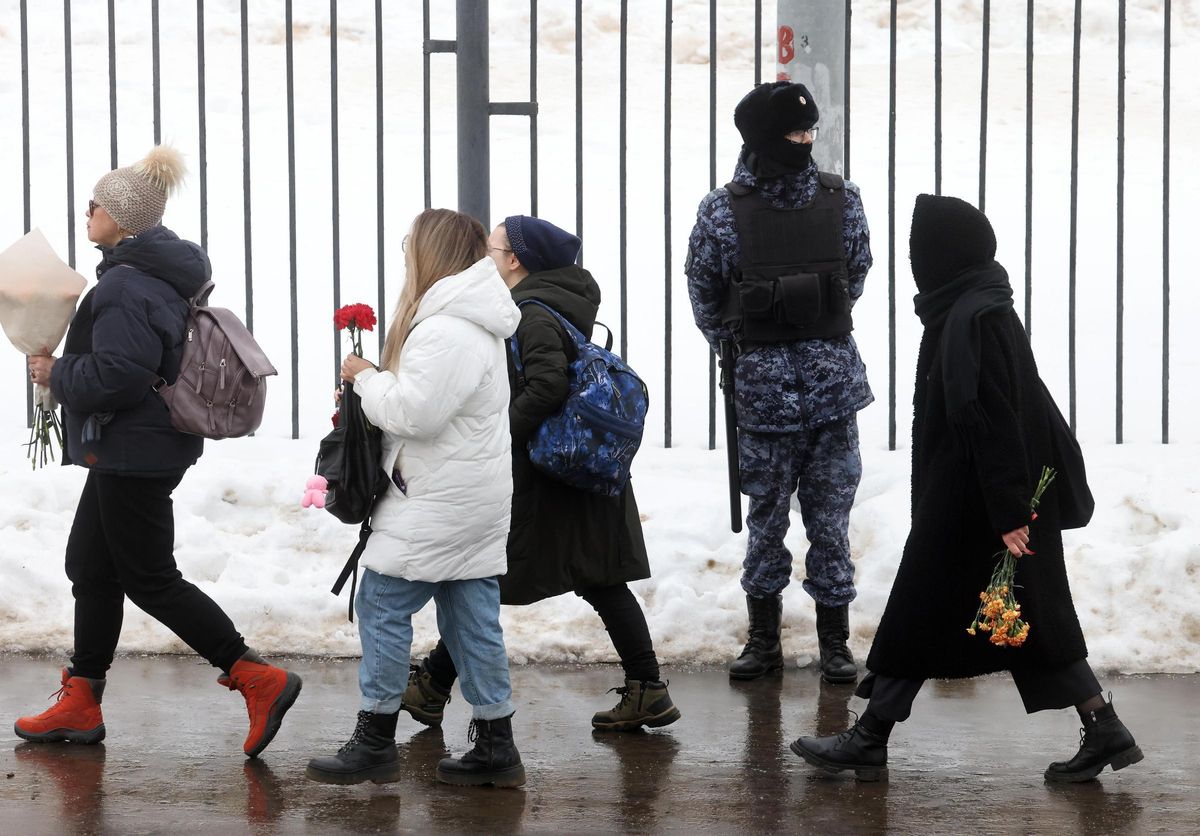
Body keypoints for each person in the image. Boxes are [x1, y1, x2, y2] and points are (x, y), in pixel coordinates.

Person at [789, 194, 1143, 783]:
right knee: (1016, 618)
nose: (915, 267)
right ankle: (1102, 725)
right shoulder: (977, 306)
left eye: (920, 255)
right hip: (982, 497)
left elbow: (996, 419)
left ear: (942, 258)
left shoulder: (970, 320)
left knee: (926, 609)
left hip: (976, 502)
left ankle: (870, 736)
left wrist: (1008, 510)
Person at [16, 146, 301, 758]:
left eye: (97, 204)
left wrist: (56, 372)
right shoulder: (152, 275)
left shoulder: (124, 285)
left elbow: (120, 372)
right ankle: (81, 699)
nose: (86, 210)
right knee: (91, 566)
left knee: (149, 577)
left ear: (122, 219)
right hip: (137, 447)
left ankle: (256, 676)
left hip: (134, 451)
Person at [401, 215, 681, 734]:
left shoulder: (531, 313)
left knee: (487, 580)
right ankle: (648, 689)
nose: (484, 254)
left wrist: (496, 435)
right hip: (576, 475)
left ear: (515, 261)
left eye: (493, 247)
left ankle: (433, 687)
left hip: (550, 480)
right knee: (594, 579)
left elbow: (548, 386)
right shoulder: (554, 308)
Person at [305, 208, 526, 788]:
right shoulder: (469, 320)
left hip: (435, 499)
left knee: (380, 602)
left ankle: (375, 737)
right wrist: (379, 380)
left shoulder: (447, 327)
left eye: (409, 248)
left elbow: (415, 413)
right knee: (471, 617)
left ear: (430, 255)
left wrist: (364, 378)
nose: (406, 258)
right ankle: (496, 743)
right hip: (467, 495)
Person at [685, 81, 873, 683]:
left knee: (831, 520)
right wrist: (747, 347)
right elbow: (705, 296)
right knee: (766, 520)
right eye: (794, 134)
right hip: (762, 396)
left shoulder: (842, 201)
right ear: (763, 139)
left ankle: (835, 642)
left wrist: (810, 328)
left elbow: (856, 274)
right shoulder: (720, 211)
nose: (806, 141)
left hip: (831, 393)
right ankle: (762, 638)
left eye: (810, 131)